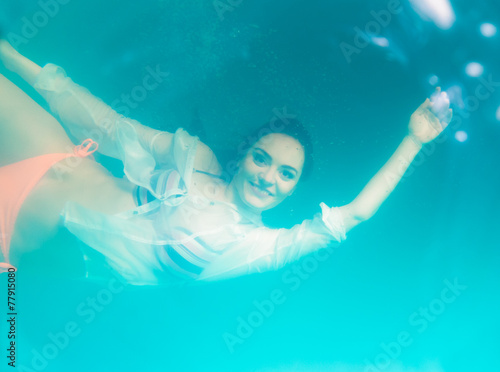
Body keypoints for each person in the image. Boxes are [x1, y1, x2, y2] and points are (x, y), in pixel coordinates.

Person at [0, 39, 452, 285]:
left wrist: (413, 141)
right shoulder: (196, 157)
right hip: (50, 157)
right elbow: (108, 125)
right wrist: (14, 58)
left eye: (286, 173)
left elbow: (355, 213)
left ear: (294, 188)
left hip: (22, 245)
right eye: (263, 158)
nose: (268, 176)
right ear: (245, 157)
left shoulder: (254, 246)